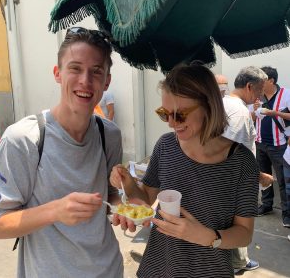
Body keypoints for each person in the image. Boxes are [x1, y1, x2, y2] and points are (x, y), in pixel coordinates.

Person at [0, 27, 124, 278]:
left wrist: (126, 206)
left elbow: (111, 196)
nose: (85, 80)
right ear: (57, 74)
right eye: (75, 68)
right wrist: (54, 211)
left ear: (106, 80)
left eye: (96, 71)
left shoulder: (110, 135)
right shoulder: (24, 139)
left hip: (109, 269)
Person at [111, 62, 259, 278]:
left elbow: (244, 234)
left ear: (209, 105)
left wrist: (208, 236)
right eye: (164, 113)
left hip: (210, 271)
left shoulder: (242, 162)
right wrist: (128, 181)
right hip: (159, 267)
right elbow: (145, 197)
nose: (171, 123)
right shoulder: (166, 146)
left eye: (180, 115)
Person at [220, 66, 270, 274]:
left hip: (224, 180)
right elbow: (233, 156)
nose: (261, 96)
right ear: (249, 87)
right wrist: (258, 176)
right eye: (259, 90)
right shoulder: (239, 112)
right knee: (238, 224)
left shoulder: (223, 103)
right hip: (235, 183)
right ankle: (238, 264)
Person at [254, 66, 290, 227]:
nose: (259, 83)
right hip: (260, 142)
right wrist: (253, 111)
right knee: (264, 177)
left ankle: (286, 213)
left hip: (279, 145)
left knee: (282, 181)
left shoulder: (286, 94)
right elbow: (252, 117)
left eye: (262, 79)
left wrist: (275, 113)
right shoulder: (257, 96)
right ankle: (266, 205)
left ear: (271, 80)